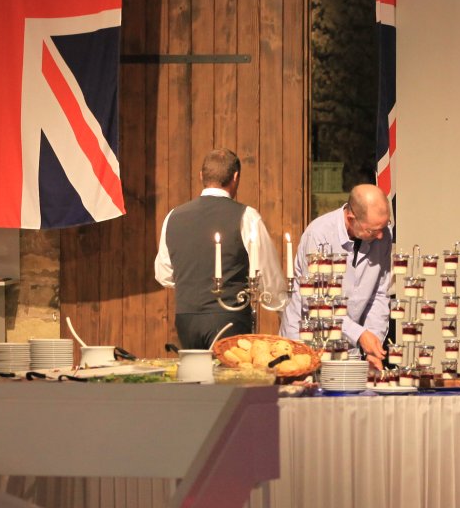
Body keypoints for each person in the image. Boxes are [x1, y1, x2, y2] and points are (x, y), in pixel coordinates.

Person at [154, 148, 284, 349]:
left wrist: (192, 284)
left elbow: (164, 275)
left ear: (201, 176)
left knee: (194, 370)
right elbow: (267, 274)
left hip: (186, 320)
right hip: (229, 318)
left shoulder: (173, 216)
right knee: (229, 371)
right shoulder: (247, 216)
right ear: (236, 177)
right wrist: (282, 308)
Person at [279, 184, 393, 371]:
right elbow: (316, 303)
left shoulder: (382, 234)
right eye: (372, 231)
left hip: (349, 345)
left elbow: (379, 294)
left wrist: (374, 342)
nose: (381, 236)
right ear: (351, 218)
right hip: (308, 339)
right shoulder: (319, 234)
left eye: (384, 226)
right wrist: (359, 334)